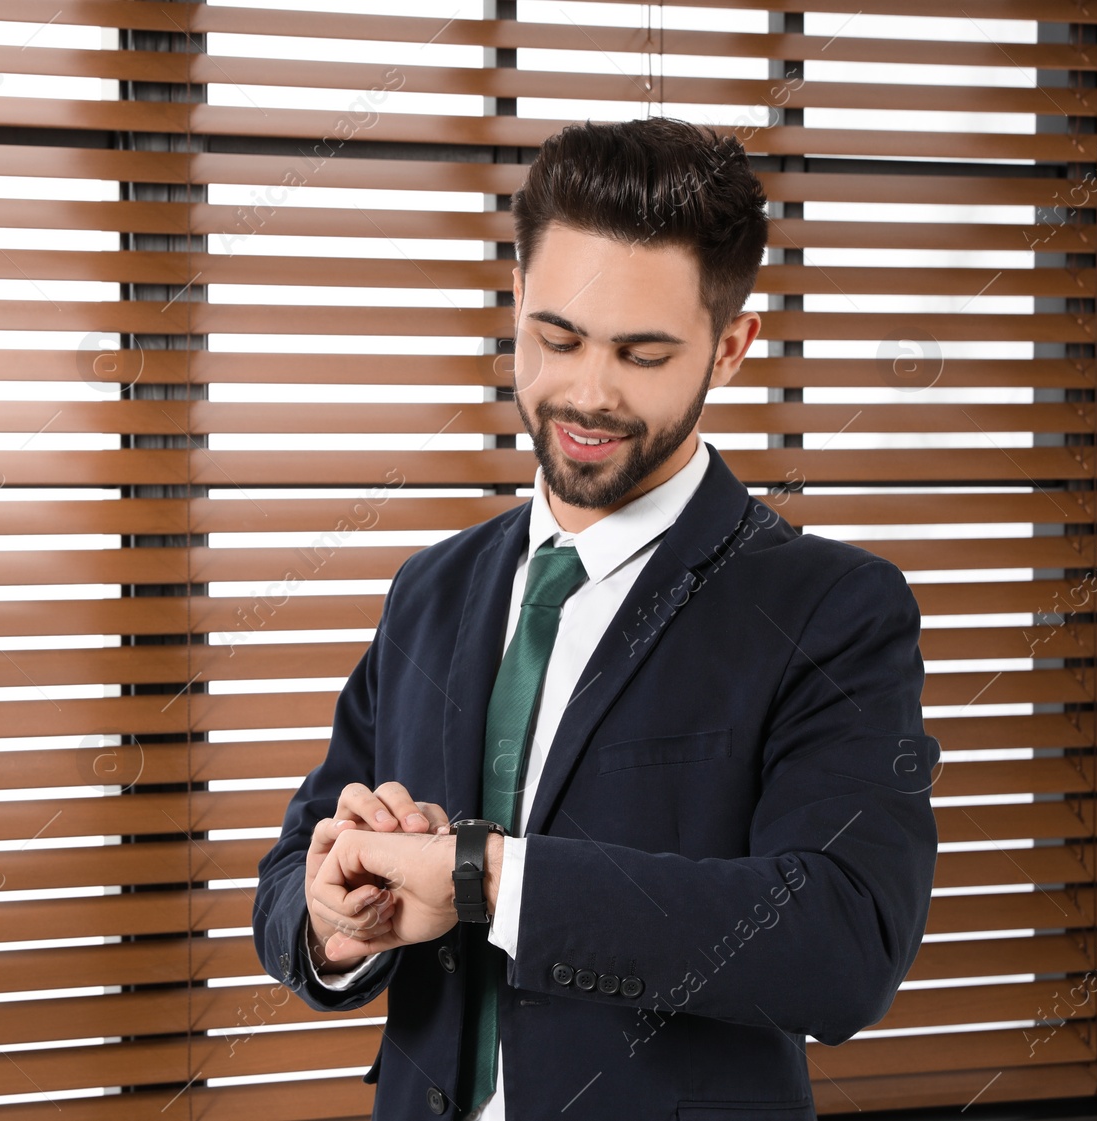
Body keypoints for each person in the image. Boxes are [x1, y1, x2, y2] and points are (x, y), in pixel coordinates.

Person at [250, 116, 939, 1121]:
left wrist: (485, 877)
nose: (587, 390)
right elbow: (297, 855)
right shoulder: (430, 589)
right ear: (515, 302)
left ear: (732, 346)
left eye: (642, 352)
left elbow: (844, 943)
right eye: (556, 336)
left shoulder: (830, 608)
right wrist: (331, 918)